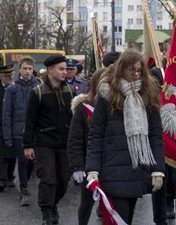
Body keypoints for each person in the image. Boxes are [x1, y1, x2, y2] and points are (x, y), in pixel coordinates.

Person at [85, 49, 165, 224]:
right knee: (119, 218)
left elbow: (155, 136)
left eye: (139, 71)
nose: (136, 75)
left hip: (137, 170)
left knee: (126, 218)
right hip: (112, 169)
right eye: (132, 70)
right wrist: (92, 169)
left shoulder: (148, 95)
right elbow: (96, 135)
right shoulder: (107, 95)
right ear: (122, 70)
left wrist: (158, 168)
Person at [23, 55, 75, 225]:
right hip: (44, 143)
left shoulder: (70, 91)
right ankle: (47, 211)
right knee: (48, 178)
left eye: (66, 69)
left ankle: (53, 204)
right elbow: (29, 121)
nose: (65, 72)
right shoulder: (37, 92)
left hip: (64, 143)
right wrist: (28, 145)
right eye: (61, 69)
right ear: (50, 70)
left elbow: (74, 118)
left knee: (64, 179)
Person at [67, 68, 105, 225]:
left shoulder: (117, 105)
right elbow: (75, 139)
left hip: (111, 163)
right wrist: (77, 166)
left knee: (110, 205)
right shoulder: (84, 108)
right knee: (86, 203)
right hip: (89, 165)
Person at [3, 57, 40, 206]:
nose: (27, 71)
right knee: (23, 160)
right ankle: (23, 189)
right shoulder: (12, 89)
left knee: (32, 160)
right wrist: (8, 137)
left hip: (35, 132)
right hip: (18, 131)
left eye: (30, 69)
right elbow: (7, 114)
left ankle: (25, 183)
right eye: (24, 68)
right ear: (20, 69)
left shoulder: (38, 87)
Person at [0, 64, 17, 192]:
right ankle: (1, 179)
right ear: (0, 76)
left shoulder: (16, 88)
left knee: (12, 153)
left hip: (14, 125)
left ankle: (10, 176)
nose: (10, 77)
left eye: (11, 75)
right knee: (0, 154)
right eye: (7, 76)